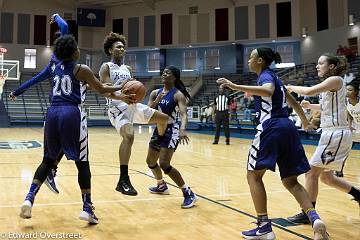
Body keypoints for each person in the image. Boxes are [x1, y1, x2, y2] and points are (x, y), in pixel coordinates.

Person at [217, 47, 329, 240]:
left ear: (260, 60)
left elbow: (267, 90)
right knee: (291, 181)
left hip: (271, 128)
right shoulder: (276, 77)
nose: (249, 60)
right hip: (288, 129)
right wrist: (304, 121)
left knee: (253, 176)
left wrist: (236, 87)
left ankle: (264, 226)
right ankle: (314, 217)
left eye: (251, 57)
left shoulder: (265, 77)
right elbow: (292, 101)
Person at [17, 35, 125, 224]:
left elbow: (95, 86)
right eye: (77, 47)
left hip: (52, 113)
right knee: (82, 163)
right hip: (71, 114)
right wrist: (123, 91)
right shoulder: (81, 69)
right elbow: (100, 88)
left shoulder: (54, 67)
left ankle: (29, 198)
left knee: (48, 160)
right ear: (75, 52)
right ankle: (87, 207)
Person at [286, 54, 360, 225]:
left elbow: (309, 91)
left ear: (332, 66)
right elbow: (328, 107)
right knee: (327, 178)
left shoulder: (335, 80)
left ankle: (308, 213)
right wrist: (310, 106)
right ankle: (358, 194)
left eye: (321, 64)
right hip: (330, 134)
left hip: (336, 134)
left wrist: (290, 87)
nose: (317, 67)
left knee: (311, 173)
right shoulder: (331, 85)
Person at [99, 32, 168, 196]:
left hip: (133, 106)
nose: (122, 48)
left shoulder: (128, 69)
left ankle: (156, 154)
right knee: (129, 136)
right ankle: (123, 180)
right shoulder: (106, 67)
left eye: (123, 47)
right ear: (110, 50)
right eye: (118, 46)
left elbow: (134, 89)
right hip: (117, 108)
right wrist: (121, 96)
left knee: (164, 119)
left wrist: (144, 97)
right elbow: (104, 90)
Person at [9, 13, 69, 194]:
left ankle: (49, 174)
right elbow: (65, 27)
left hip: (53, 111)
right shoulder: (65, 58)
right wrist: (56, 17)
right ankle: (50, 173)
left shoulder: (51, 65)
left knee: (60, 147)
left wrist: (16, 92)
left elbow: (33, 80)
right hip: (64, 110)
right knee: (64, 145)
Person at [145, 66, 198, 208]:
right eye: (163, 72)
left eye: (168, 73)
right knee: (150, 161)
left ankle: (188, 192)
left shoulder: (178, 94)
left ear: (174, 77)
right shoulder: (155, 92)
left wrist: (183, 129)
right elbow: (148, 111)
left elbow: (184, 114)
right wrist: (157, 100)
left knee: (164, 164)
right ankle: (161, 185)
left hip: (172, 129)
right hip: (158, 128)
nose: (164, 74)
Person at [335, 80, 360, 177]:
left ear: (356, 92)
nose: (347, 91)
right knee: (344, 150)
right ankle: (339, 170)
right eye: (346, 89)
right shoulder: (345, 102)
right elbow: (349, 114)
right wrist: (349, 124)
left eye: (350, 90)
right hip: (355, 128)